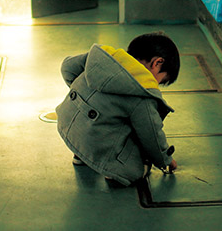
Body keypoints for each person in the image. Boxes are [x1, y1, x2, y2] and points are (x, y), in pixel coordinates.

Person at [56, 32, 180, 186]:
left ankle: (80, 155)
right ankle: (113, 172)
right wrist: (165, 160)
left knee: (95, 122)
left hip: (66, 123)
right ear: (157, 63)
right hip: (95, 139)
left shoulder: (102, 57)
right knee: (136, 169)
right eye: (161, 80)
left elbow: (68, 67)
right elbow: (151, 134)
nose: (157, 85)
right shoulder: (142, 92)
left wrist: (84, 96)